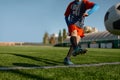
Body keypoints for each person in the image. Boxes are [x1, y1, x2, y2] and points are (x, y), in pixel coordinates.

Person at [64, 0, 99, 65]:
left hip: (80, 26)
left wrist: (89, 13)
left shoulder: (85, 2)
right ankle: (76, 49)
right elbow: (66, 16)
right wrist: (68, 24)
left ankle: (67, 58)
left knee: (75, 43)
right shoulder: (71, 4)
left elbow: (96, 6)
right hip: (72, 23)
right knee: (74, 34)